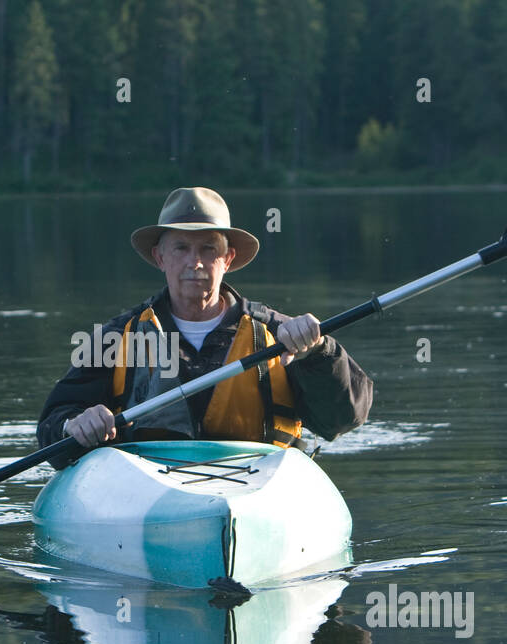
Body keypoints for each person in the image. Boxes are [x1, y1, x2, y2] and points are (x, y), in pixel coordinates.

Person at [36, 187, 372, 467]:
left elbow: (342, 419)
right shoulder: (116, 338)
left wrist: (318, 352)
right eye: (181, 248)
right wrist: (74, 424)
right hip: (145, 487)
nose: (194, 262)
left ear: (227, 260)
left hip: (259, 483)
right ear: (160, 257)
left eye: (208, 249)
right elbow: (53, 424)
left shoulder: (283, 336)